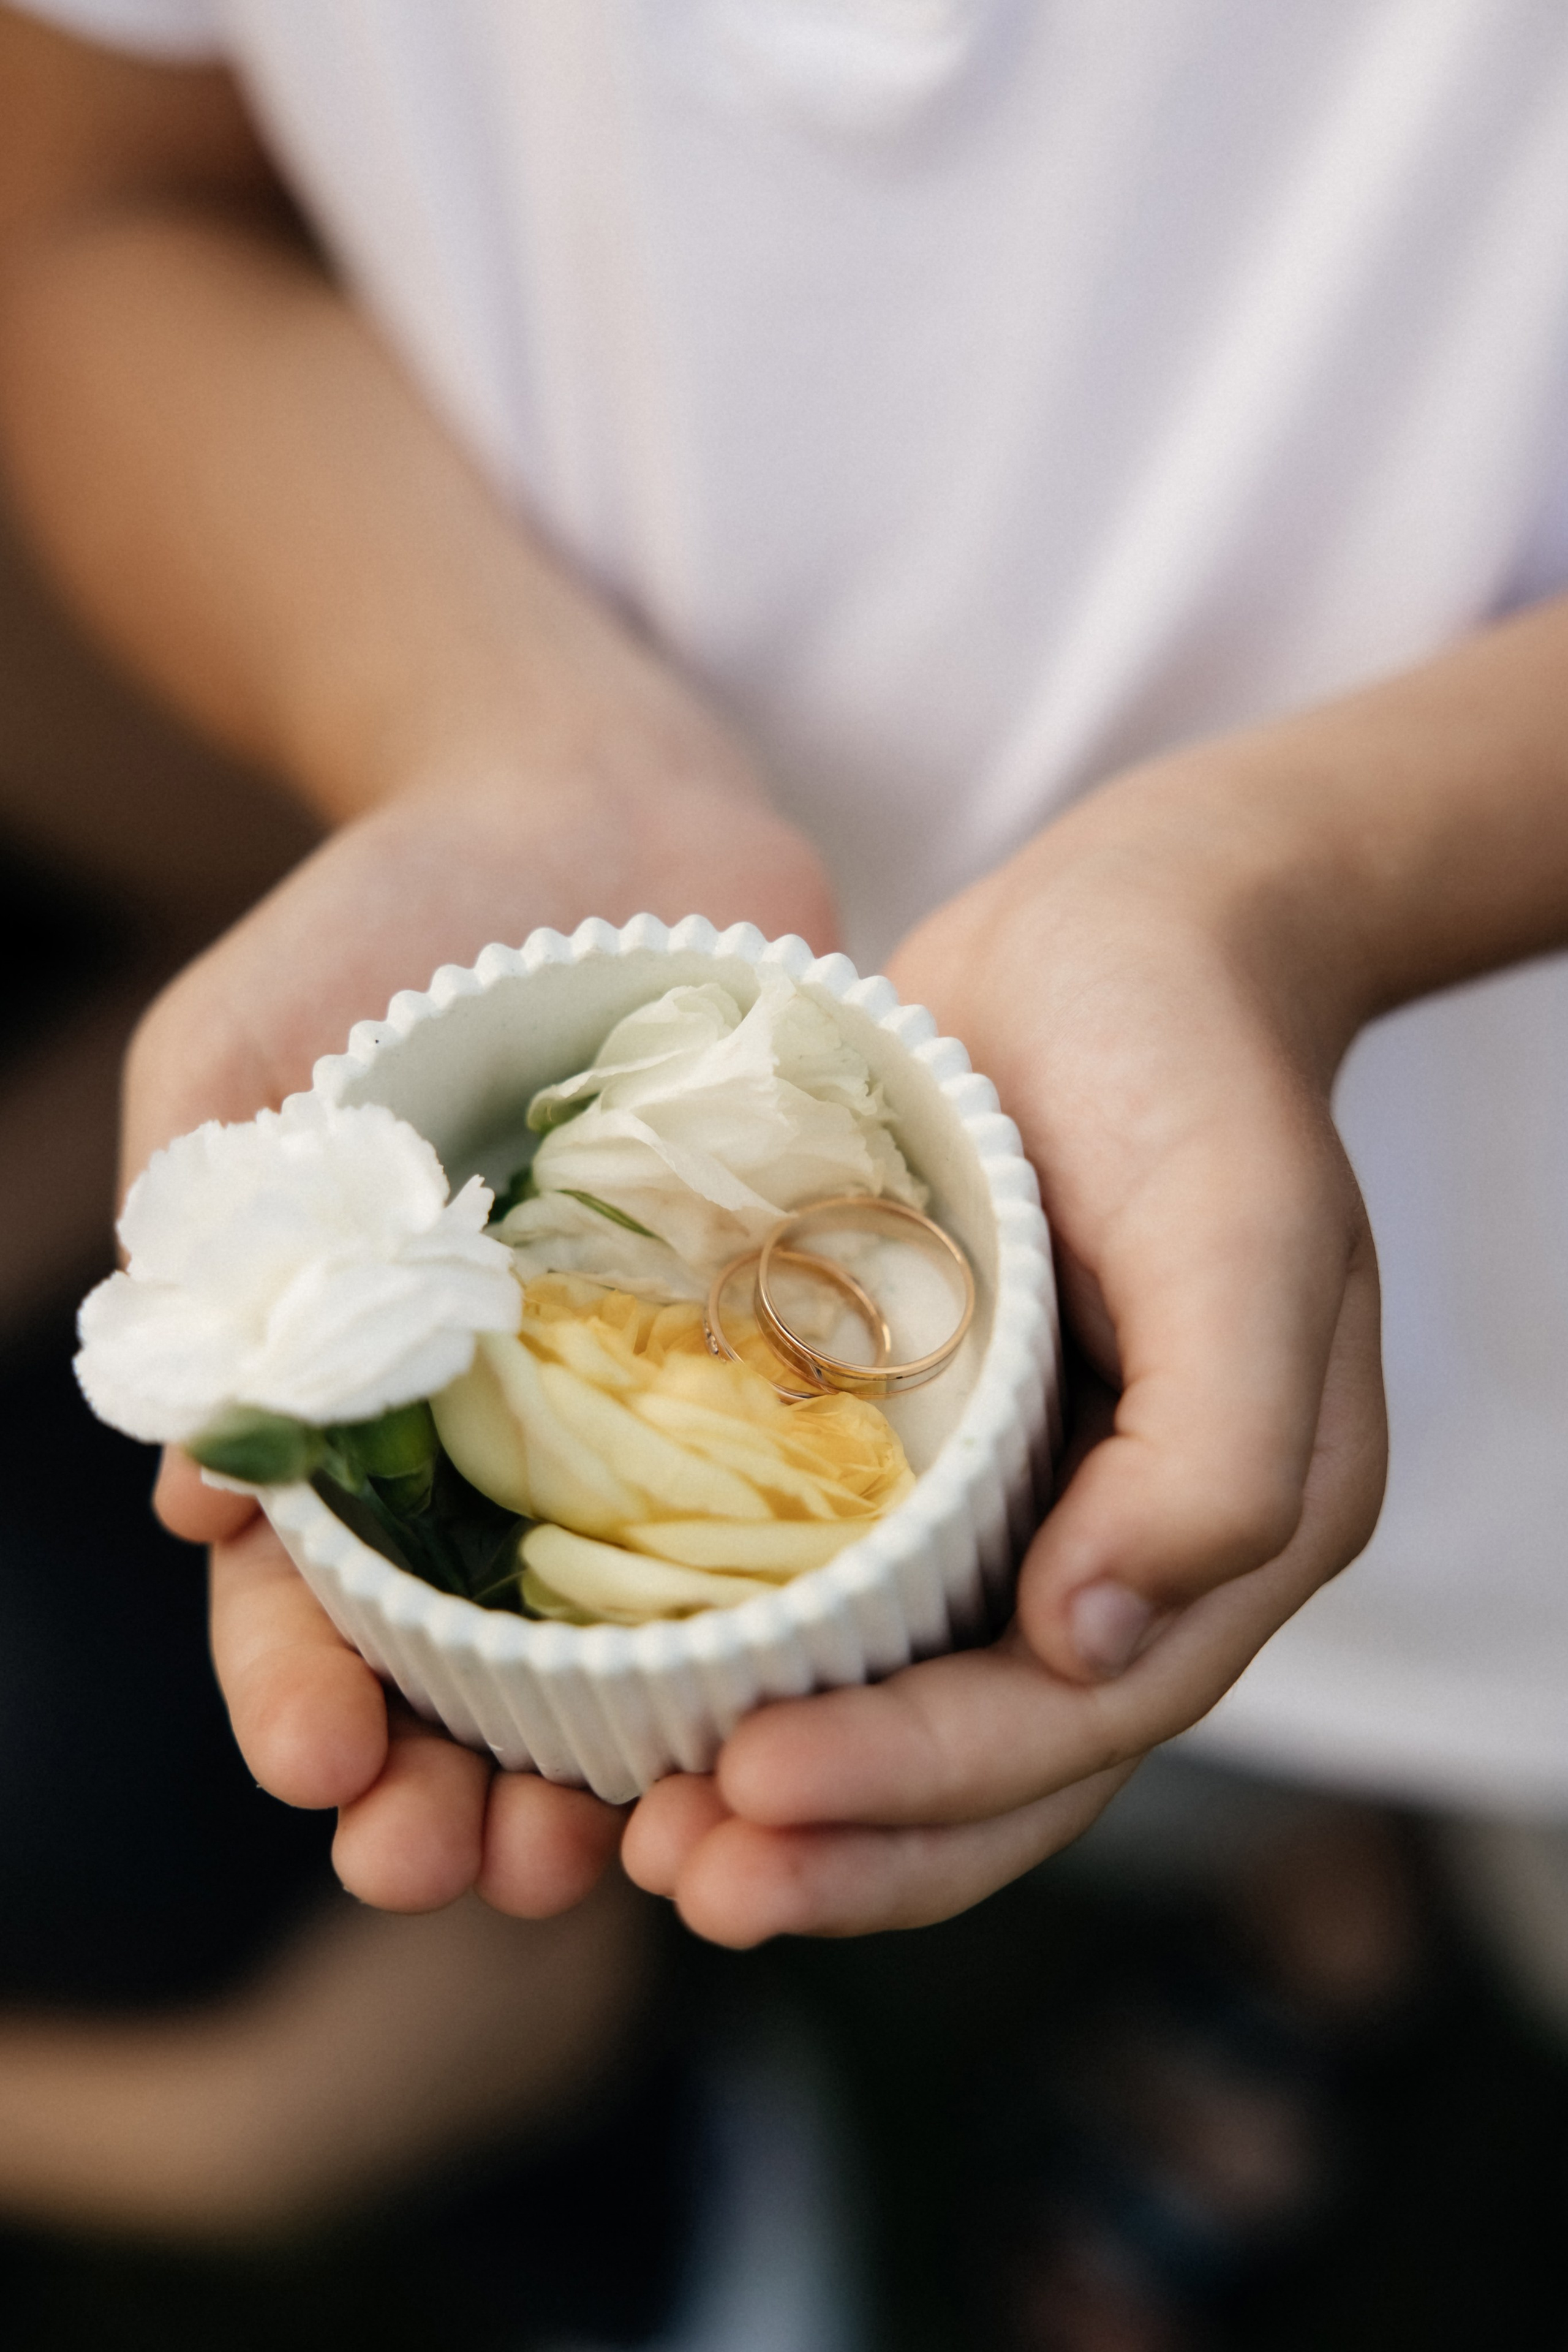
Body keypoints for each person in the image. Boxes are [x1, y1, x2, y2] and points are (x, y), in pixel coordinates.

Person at [1, 0, 1566, 2254]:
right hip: (910, 1245)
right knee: (1119, 1719)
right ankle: (1308, 1896)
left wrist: (1296, 882)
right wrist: (485, 719)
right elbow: (98, 222)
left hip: (1527, 1242)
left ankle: (1385, 1898)